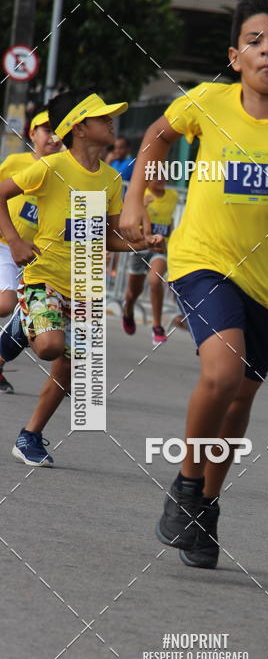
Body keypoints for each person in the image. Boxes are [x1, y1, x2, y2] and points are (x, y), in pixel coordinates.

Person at [120, 0, 268, 570]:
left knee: (240, 399)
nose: (267, 53)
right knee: (221, 373)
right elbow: (155, 139)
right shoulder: (208, 102)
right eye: (255, 43)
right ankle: (186, 485)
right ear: (235, 56)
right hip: (202, 259)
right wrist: (133, 198)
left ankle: (208, 506)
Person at [0, 90, 162, 467]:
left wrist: (141, 243)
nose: (111, 122)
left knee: (72, 365)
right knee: (50, 347)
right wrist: (15, 240)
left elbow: (104, 235)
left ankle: (31, 436)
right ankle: (23, 326)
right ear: (79, 128)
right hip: (44, 275)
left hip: (86, 283)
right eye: (102, 118)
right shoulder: (50, 167)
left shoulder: (110, 179)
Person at [0, 110, 61, 393]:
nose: (53, 136)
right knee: (6, 304)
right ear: (32, 133)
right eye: (46, 129)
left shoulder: (64, 170)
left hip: (41, 258)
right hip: (6, 247)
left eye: (58, 130)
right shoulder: (17, 162)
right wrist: (13, 239)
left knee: (31, 319)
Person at [122, 178, 179, 343]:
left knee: (155, 280)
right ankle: (128, 310)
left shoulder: (173, 196)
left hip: (159, 248)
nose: (161, 179)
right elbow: (126, 220)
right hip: (140, 248)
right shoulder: (140, 195)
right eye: (156, 176)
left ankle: (157, 326)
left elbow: (170, 221)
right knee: (134, 292)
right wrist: (141, 206)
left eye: (163, 175)